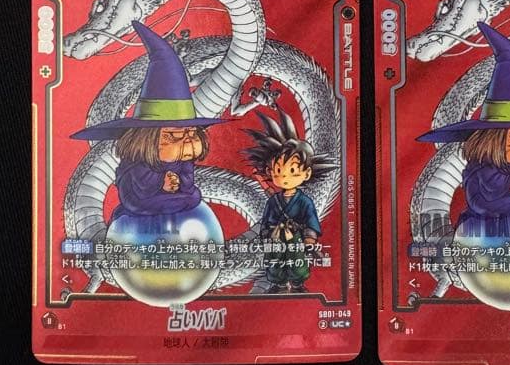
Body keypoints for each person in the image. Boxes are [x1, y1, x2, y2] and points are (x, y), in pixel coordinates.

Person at [417, 22, 510, 238]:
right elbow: (482, 189)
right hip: (485, 215)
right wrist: (509, 184)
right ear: (493, 141)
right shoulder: (482, 167)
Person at [70, 20, 228, 219]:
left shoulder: (183, 161)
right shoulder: (135, 166)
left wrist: (180, 182)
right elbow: (133, 193)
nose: (188, 141)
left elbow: (188, 184)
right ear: (146, 139)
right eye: (175, 135)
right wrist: (160, 182)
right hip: (137, 216)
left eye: (192, 133)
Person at [243, 109, 336, 292]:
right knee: (275, 263)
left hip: (296, 239)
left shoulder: (304, 201)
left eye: (292, 171)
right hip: (276, 238)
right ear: (270, 171)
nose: (284, 176)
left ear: (306, 173)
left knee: (297, 263)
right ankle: (278, 284)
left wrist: (309, 239)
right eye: (278, 171)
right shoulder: (273, 201)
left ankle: (297, 284)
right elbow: (266, 221)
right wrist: (269, 234)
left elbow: (310, 221)